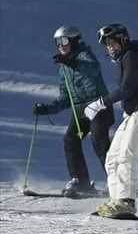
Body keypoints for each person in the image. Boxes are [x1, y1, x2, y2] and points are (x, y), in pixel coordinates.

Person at [82, 23, 138, 219]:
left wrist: (100, 103)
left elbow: (127, 89)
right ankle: (115, 201)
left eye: (112, 42)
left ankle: (126, 202)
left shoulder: (134, 55)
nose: (109, 47)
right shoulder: (124, 58)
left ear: (123, 39)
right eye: (106, 44)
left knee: (128, 156)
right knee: (112, 158)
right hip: (132, 113)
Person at [33, 25, 113, 198]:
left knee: (99, 141)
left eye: (63, 41)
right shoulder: (64, 67)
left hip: (98, 105)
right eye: (57, 42)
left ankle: (116, 180)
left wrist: (73, 62)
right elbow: (65, 98)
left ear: (74, 41)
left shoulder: (84, 55)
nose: (60, 45)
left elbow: (93, 68)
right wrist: (48, 109)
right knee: (70, 140)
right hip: (80, 110)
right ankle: (80, 180)